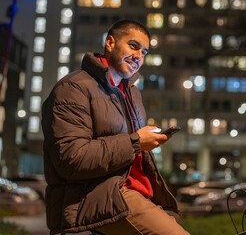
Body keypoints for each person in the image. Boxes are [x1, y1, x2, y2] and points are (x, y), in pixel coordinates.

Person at [42, 20, 190, 235]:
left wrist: (146, 142)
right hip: (98, 197)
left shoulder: (132, 93)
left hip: (135, 194)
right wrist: (137, 142)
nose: (139, 56)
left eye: (144, 52)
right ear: (110, 43)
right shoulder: (73, 88)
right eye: (133, 45)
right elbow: (70, 158)